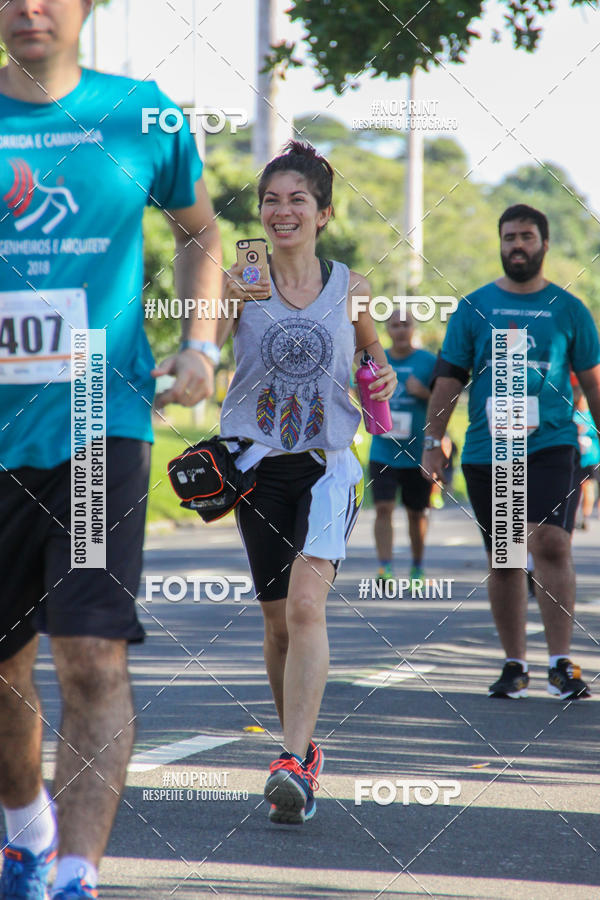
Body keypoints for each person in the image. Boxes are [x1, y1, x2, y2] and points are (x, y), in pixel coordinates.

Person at [0, 2, 221, 898]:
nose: (30, 7)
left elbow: (200, 230)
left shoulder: (143, 115)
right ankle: (26, 832)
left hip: (100, 418)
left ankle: (76, 876)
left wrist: (200, 345)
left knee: (90, 654)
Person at [217, 141, 397, 824]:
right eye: (271, 200)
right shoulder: (240, 279)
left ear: (323, 214)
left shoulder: (351, 287)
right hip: (255, 466)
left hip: (327, 465)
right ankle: (301, 752)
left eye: (298, 200)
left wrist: (380, 376)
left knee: (304, 608)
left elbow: (372, 357)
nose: (282, 211)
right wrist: (218, 307)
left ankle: (291, 760)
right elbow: (206, 346)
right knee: (275, 623)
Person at [423, 204, 600, 701]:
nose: (517, 245)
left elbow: (593, 383)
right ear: (500, 244)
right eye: (509, 237)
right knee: (506, 556)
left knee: (551, 542)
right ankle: (514, 664)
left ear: (544, 243)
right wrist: (433, 443)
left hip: (551, 444)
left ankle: (561, 663)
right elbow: (448, 380)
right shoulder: (474, 307)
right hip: (491, 447)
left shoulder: (570, 309)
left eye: (526, 236)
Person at [368, 309, 436, 587]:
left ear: (414, 328)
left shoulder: (428, 362)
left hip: (417, 451)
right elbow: (357, 391)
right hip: (383, 450)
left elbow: (446, 399)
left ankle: (417, 567)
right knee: (383, 508)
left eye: (405, 324)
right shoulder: (377, 361)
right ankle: (385, 567)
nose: (400, 330)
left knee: (416, 512)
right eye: (394, 325)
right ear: (387, 330)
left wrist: (424, 393)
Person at [572, 374, 600, 530]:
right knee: (577, 487)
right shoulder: (574, 414)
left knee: (588, 486)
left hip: (592, 457)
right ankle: (577, 516)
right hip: (577, 458)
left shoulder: (592, 415)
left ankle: (586, 516)